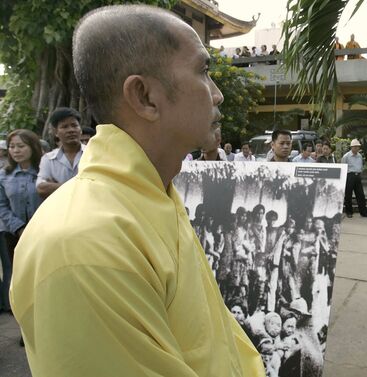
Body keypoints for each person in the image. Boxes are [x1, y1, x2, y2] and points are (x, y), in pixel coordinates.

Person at [10, 5, 263, 376]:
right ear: (144, 96)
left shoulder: (153, 194)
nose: (218, 94)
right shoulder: (84, 242)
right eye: (204, 71)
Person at [0, 130, 42, 313]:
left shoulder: (43, 172)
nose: (15, 150)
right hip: (13, 234)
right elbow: (1, 205)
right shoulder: (4, 175)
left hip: (43, 232)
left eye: (21, 146)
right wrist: (18, 227)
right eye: (12, 146)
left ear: (32, 147)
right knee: (18, 277)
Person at [36, 107, 85, 199]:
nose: (71, 130)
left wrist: (55, 185)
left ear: (80, 129)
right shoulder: (48, 159)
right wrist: (80, 185)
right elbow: (41, 188)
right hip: (60, 210)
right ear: (56, 132)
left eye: (74, 125)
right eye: (64, 127)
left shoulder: (93, 154)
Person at [341, 139, 367, 218]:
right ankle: (349, 212)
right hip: (349, 176)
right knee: (348, 195)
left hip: (357, 176)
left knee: (361, 195)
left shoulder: (359, 156)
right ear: (351, 147)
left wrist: (359, 174)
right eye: (355, 147)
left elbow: (360, 166)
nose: (357, 148)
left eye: (358, 147)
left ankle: (364, 212)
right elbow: (343, 167)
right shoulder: (346, 156)